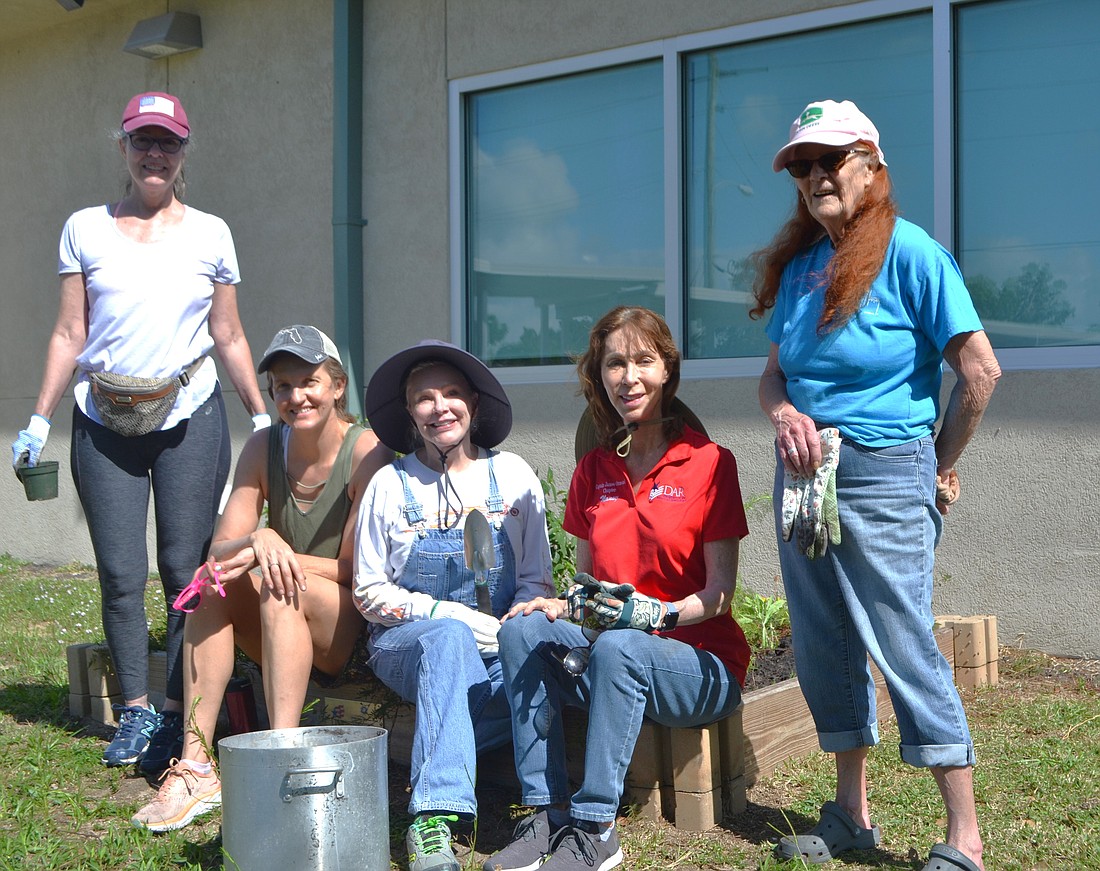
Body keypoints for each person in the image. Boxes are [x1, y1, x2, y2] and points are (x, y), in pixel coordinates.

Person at [752, 100, 1000, 871]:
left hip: (887, 469)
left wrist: (938, 460)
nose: (816, 175)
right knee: (823, 638)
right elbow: (771, 378)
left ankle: (964, 834)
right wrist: (786, 412)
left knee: (901, 639)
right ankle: (850, 813)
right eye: (802, 164)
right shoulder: (800, 270)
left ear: (871, 163)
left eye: (832, 159)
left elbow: (980, 372)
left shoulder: (915, 255)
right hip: (804, 473)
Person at [10, 92, 270, 772]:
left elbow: (228, 334)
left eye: (168, 142)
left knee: (185, 569)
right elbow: (71, 331)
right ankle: (133, 709)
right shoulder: (85, 229)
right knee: (121, 573)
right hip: (104, 418)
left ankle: (186, 712)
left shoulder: (211, 233)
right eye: (142, 140)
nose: (154, 153)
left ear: (184, 152)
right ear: (123, 147)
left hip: (190, 412)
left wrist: (263, 417)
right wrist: (38, 418)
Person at [484, 306, 751, 871]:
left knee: (619, 645)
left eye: (642, 361)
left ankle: (596, 828)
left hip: (701, 664)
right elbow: (583, 590)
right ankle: (544, 815)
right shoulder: (593, 470)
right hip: (614, 663)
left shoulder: (710, 464)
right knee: (521, 632)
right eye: (614, 363)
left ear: (667, 373)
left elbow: (722, 594)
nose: (627, 376)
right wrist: (555, 605)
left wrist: (657, 615)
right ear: (599, 377)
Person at [130, 324, 393, 832]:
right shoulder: (263, 445)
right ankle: (197, 766)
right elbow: (220, 552)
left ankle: (284, 760)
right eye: (282, 387)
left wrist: (277, 555)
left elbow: (359, 572)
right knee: (211, 584)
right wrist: (257, 542)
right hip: (285, 609)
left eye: (309, 381)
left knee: (278, 585)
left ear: (337, 386)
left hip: (343, 618)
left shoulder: (368, 453)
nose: (296, 397)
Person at [354, 340, 554, 871]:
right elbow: (369, 593)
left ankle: (455, 760)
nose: (439, 406)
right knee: (448, 642)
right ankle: (432, 822)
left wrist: (511, 624)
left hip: (497, 646)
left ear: (475, 404)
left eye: (451, 394)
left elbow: (536, 582)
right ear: (409, 414)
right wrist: (449, 616)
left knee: (542, 670)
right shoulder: (389, 485)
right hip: (407, 645)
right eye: (424, 397)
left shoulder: (513, 476)